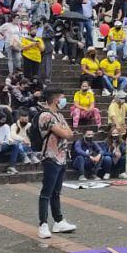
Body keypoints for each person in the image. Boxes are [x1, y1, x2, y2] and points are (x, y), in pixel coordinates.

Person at [36, 89, 78, 239]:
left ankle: (58, 220)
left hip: (62, 157)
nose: (64, 101)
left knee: (56, 192)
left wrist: (64, 130)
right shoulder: (45, 115)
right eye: (62, 98)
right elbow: (65, 133)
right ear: (55, 100)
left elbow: (70, 132)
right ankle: (43, 224)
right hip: (51, 157)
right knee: (46, 192)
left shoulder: (59, 115)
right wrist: (64, 130)